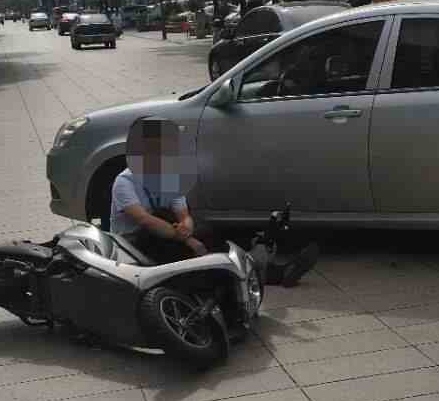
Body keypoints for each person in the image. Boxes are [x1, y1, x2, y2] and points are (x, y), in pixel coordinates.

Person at [110, 118, 319, 285]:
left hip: (168, 233)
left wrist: (187, 229)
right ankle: (256, 272)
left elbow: (183, 213)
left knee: (210, 233)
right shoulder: (124, 182)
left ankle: (268, 269)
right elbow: (145, 221)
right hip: (135, 242)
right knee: (185, 246)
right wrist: (187, 239)